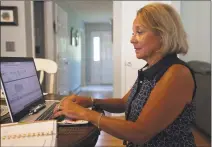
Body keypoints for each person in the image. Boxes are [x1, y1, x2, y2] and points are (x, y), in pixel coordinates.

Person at [53, 2, 197, 147]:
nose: (132, 39)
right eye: (133, 33)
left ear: (162, 35)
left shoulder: (176, 74)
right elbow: (124, 103)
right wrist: (91, 101)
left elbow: (140, 133)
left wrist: (83, 113)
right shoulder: (152, 68)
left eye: (139, 32)